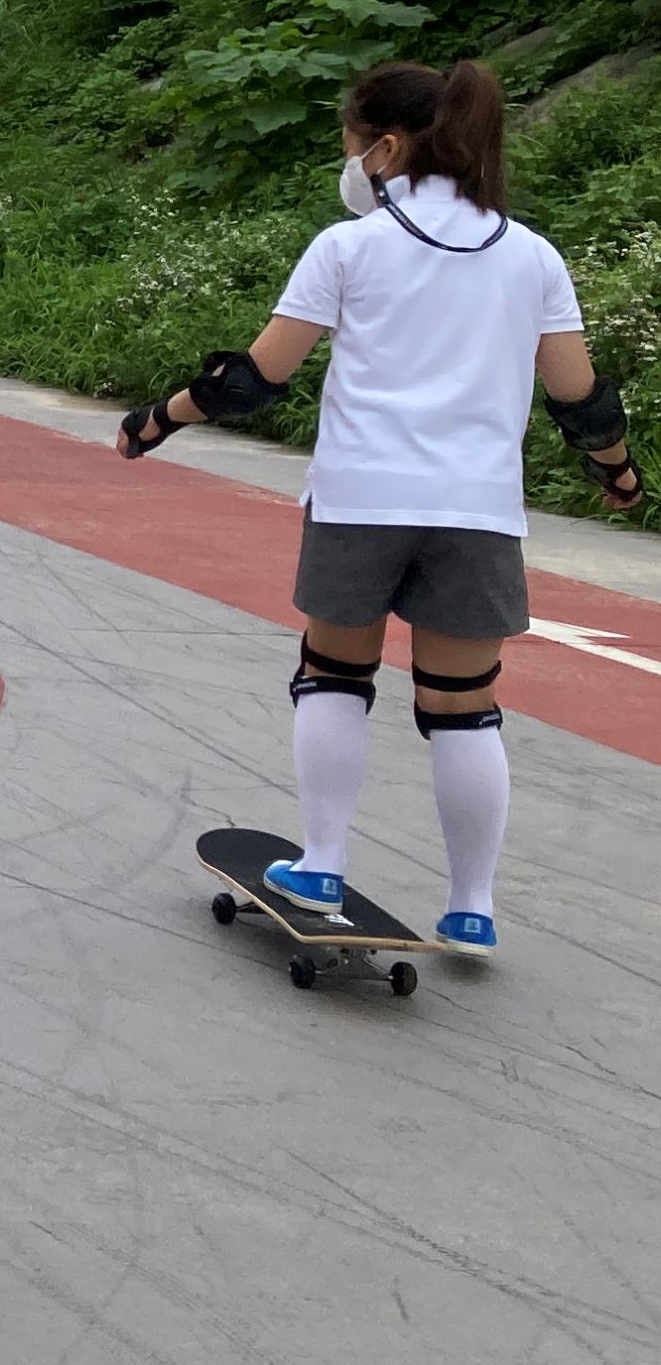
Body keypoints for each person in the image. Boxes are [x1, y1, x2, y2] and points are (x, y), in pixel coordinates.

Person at [118, 58, 637, 958]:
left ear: (387, 147)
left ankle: (320, 863)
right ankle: (472, 907)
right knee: (465, 707)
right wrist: (620, 476)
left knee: (333, 675)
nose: (348, 162)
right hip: (477, 512)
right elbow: (581, 400)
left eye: (351, 145)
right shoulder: (532, 255)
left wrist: (158, 421)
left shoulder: (350, 246)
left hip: (363, 497)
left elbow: (251, 380)